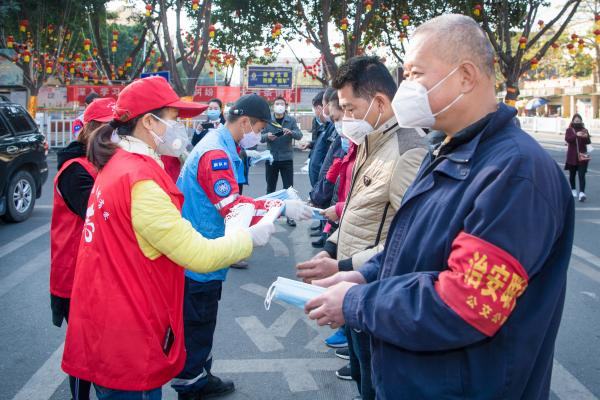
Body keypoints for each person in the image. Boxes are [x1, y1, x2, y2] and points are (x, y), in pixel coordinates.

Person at [306, 15, 575, 400]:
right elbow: (412, 245)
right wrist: (362, 276)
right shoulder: (448, 151)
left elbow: (466, 302)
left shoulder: (515, 173)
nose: (404, 88)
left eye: (415, 74)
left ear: (465, 76)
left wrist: (356, 302)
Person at [61, 77, 275, 399]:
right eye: (174, 119)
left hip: (109, 317)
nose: (180, 129)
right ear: (149, 121)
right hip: (129, 333)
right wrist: (249, 238)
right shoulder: (140, 181)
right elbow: (197, 255)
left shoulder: (118, 165)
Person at [297, 56, 428, 399]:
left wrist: (341, 267)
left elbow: (410, 241)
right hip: (352, 286)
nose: (345, 118)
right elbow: (358, 209)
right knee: (360, 374)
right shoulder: (371, 140)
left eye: (350, 108)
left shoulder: (407, 151)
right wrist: (329, 250)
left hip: (375, 291)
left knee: (374, 384)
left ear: (380, 102)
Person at [173, 93, 313, 400]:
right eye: (260, 128)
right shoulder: (216, 154)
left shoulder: (222, 145)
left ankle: (199, 374)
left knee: (201, 319)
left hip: (205, 246)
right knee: (198, 320)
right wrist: (278, 208)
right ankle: (192, 383)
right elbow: (232, 206)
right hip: (202, 252)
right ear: (246, 122)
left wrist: (275, 203)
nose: (260, 135)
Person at [50, 97, 114, 400]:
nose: (114, 137)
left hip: (98, 270)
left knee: (98, 346)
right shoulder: (74, 170)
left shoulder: (101, 163)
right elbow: (100, 212)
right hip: (76, 274)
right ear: (90, 130)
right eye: (108, 130)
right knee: (83, 350)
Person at [261, 96, 303, 226]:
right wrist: (267, 136)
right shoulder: (268, 121)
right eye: (277, 103)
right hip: (271, 158)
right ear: (273, 106)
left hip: (286, 159)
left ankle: (290, 216)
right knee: (270, 188)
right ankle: (269, 215)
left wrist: (291, 132)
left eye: (282, 104)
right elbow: (259, 137)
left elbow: (299, 135)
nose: (279, 105)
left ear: (285, 106)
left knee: (288, 189)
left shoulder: (290, 120)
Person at [565, 113, 591, 202]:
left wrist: (586, 136)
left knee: (581, 175)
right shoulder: (569, 130)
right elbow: (568, 139)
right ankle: (573, 189)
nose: (577, 122)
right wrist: (576, 135)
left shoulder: (584, 130)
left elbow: (588, 142)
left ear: (581, 121)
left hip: (582, 156)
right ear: (572, 121)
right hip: (572, 156)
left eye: (579, 121)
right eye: (576, 121)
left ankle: (582, 193)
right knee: (572, 175)